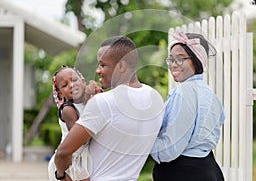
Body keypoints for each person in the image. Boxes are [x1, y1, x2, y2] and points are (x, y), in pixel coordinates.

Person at [54, 36, 165, 181]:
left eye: (102, 65)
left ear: (122, 66)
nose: (98, 70)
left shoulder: (103, 102)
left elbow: (62, 153)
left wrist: (60, 175)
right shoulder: (156, 98)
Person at [151, 31, 225, 181]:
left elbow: (170, 149)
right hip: (209, 168)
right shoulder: (211, 96)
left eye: (180, 59)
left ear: (196, 60)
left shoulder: (183, 92)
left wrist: (146, 142)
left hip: (184, 173)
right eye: (170, 59)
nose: (173, 64)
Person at [48, 66, 101, 181]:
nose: (71, 85)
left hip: (83, 156)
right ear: (60, 94)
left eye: (74, 80)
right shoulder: (68, 109)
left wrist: (97, 95)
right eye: (64, 85)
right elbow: (80, 139)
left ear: (82, 81)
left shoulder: (86, 102)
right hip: (70, 160)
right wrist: (89, 99)